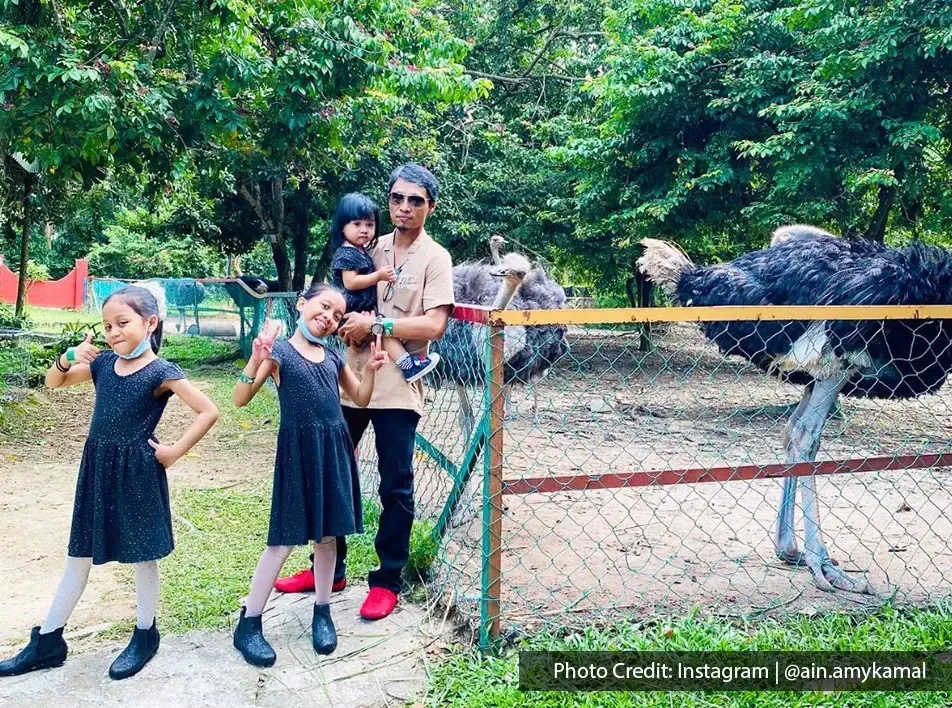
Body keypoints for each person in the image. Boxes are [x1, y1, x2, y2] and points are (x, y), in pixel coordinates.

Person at [0, 284, 220, 680]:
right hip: (98, 469)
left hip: (137, 473)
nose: (113, 332)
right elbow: (55, 382)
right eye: (107, 325)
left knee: (143, 555)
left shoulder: (162, 371)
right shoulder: (103, 364)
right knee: (78, 553)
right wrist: (67, 358)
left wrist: (173, 451)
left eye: (122, 322)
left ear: (150, 323)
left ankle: (145, 633)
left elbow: (208, 410)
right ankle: (48, 640)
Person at [274, 164, 454, 619]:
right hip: (349, 379)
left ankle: (387, 578)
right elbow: (344, 295)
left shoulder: (436, 258)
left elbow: (434, 324)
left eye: (416, 200)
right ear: (388, 201)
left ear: (430, 206)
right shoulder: (370, 247)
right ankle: (328, 570)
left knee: (395, 484)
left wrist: (379, 324)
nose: (405, 207)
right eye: (397, 198)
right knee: (330, 471)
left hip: (397, 383)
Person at [231, 283, 388, 667]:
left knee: (328, 536)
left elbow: (361, 398)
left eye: (337, 315)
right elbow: (239, 397)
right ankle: (249, 623)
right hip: (299, 453)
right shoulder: (280, 353)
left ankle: (322, 611)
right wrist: (256, 359)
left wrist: (368, 369)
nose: (329, 317)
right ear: (302, 304)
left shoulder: (334, 358)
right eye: (324, 307)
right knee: (282, 541)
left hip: (333, 451)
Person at [330, 192, 441, 383]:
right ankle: (408, 365)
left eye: (370, 225)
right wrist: (379, 276)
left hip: (362, 310)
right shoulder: (347, 253)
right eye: (357, 224)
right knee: (381, 326)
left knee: (381, 327)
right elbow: (351, 282)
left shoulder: (364, 249)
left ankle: (407, 365)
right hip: (352, 309)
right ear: (342, 226)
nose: (364, 230)